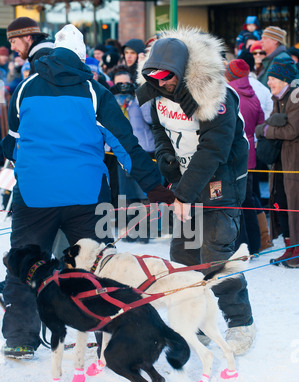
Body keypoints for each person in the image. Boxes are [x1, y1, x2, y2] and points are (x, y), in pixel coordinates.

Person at [0, 24, 174, 359]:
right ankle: (105, 329)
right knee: (97, 265)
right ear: (82, 58)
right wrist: (153, 185)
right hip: (86, 194)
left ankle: (20, 337)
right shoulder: (94, 91)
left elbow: (15, 144)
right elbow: (125, 144)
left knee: (24, 262)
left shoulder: (24, 89)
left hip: (35, 195)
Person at [136, 27, 256, 355]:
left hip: (221, 184)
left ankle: (241, 323)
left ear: (184, 70)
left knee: (215, 257)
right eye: (153, 76)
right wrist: (166, 161)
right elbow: (158, 131)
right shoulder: (158, 95)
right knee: (185, 257)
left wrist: (183, 195)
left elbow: (214, 150)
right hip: (185, 188)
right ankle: (197, 320)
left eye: (167, 76)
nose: (160, 83)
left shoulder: (217, 98)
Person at [255, 57, 299, 268]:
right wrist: (269, 127)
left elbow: (291, 131)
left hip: (294, 163)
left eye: (272, 78)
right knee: (281, 202)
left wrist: (266, 130)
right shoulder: (277, 98)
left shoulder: (295, 97)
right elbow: (269, 123)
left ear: (284, 80)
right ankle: (289, 247)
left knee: (295, 205)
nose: (268, 82)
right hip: (280, 162)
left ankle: (297, 250)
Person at [225, 59, 268, 254]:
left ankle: (241, 246)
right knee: (248, 199)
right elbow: (260, 122)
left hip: (234, 153)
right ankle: (255, 244)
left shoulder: (228, 94)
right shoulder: (253, 93)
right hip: (250, 152)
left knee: (236, 201)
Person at [110, 64, 156, 243]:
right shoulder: (111, 100)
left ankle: (144, 231)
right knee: (126, 194)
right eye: (118, 83)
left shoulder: (140, 99)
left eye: (125, 82)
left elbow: (150, 119)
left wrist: (139, 97)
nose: (123, 87)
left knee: (143, 193)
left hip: (142, 150)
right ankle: (130, 230)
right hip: (121, 152)